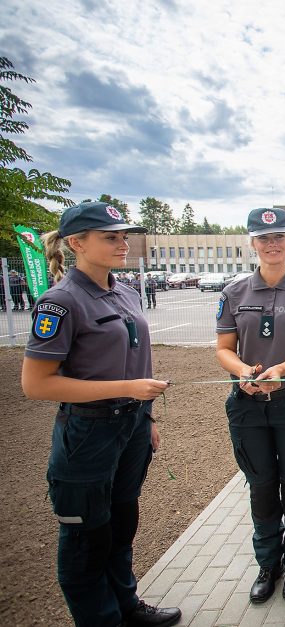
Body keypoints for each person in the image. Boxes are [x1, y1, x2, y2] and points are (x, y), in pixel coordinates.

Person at [20, 201, 181, 627]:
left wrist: (146, 417)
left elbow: (137, 359)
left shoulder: (125, 291)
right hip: (88, 432)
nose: (123, 244)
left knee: (121, 525)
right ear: (76, 243)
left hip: (130, 428)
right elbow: (36, 384)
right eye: (110, 237)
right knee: (85, 541)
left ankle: (127, 606)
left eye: (124, 236)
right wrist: (127, 389)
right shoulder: (60, 303)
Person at [215, 208, 285, 604]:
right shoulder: (233, 292)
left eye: (280, 236)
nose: (272, 244)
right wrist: (243, 370)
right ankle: (268, 563)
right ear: (252, 243)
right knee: (261, 488)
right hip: (247, 406)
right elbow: (224, 350)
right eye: (264, 238)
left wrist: (281, 369)